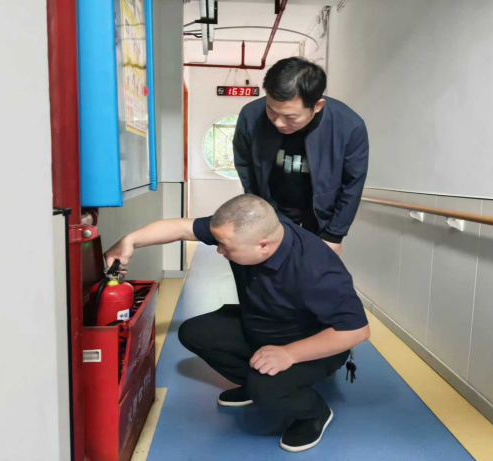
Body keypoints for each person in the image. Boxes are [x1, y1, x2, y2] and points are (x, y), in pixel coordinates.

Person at [105, 194, 370, 453]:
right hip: (262, 324)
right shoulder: (244, 229)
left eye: (226, 247)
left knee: (266, 388)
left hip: (312, 344)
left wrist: (289, 354)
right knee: (194, 333)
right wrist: (129, 240)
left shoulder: (316, 268)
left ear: (263, 246)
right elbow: (181, 228)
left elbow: (357, 331)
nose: (219, 250)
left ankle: (313, 414)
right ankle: (255, 383)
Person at [233, 57, 369, 256]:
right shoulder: (251, 115)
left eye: (290, 117)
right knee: (268, 266)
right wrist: (260, 210)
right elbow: (245, 164)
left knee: (314, 269)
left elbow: (352, 184)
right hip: (272, 209)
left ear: (317, 105)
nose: (278, 123)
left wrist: (334, 235)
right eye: (271, 111)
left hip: (320, 216)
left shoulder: (349, 126)